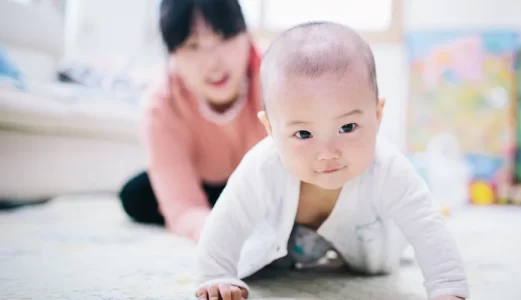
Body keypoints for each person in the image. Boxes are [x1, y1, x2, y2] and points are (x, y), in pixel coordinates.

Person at [194, 22, 469, 300]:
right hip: (282, 258)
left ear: (376, 115)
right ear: (271, 130)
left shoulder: (388, 169)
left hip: (371, 251)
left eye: (347, 128)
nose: (328, 152)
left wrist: (447, 285)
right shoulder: (262, 167)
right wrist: (215, 273)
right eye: (303, 133)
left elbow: (425, 224)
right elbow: (227, 219)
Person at [119, 0, 266, 241]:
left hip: (264, 184)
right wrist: (219, 235)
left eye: (224, 38)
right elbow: (183, 206)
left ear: (247, 35)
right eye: (192, 45)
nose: (213, 62)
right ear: (173, 54)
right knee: (136, 195)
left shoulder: (278, 76)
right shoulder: (161, 104)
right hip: (205, 183)